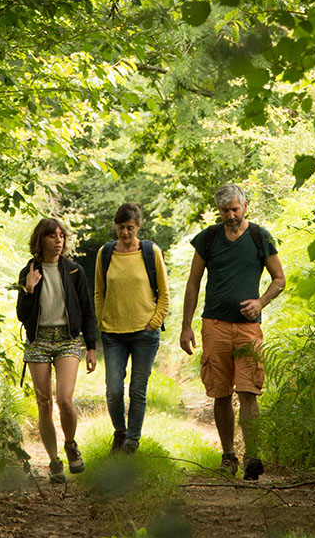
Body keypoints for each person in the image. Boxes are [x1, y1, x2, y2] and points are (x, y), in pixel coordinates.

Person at [180, 185, 285, 480]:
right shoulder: (209, 238)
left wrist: (260, 302)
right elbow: (193, 282)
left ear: (245, 207)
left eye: (235, 209)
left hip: (249, 329)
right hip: (214, 325)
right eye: (225, 210)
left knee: (249, 390)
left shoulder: (260, 237)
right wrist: (186, 326)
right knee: (220, 392)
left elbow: (279, 279)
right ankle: (228, 456)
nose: (231, 215)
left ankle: (253, 456)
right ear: (219, 211)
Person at [16, 218, 97, 483]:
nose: (59, 240)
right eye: (53, 236)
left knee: (64, 398)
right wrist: (28, 289)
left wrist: (92, 347)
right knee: (44, 403)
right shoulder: (28, 271)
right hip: (38, 339)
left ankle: (71, 444)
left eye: (61, 236)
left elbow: (87, 311)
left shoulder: (74, 271)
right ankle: (53, 462)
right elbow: (22, 315)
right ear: (41, 240)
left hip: (67, 338)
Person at [94, 203, 170, 454]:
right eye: (120, 228)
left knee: (138, 389)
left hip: (144, 333)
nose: (124, 233)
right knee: (114, 390)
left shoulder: (151, 252)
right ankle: (120, 432)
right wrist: (101, 319)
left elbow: (164, 294)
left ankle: (132, 441)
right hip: (113, 333)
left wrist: (154, 323)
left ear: (138, 226)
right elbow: (99, 292)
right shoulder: (105, 253)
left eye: (129, 228)